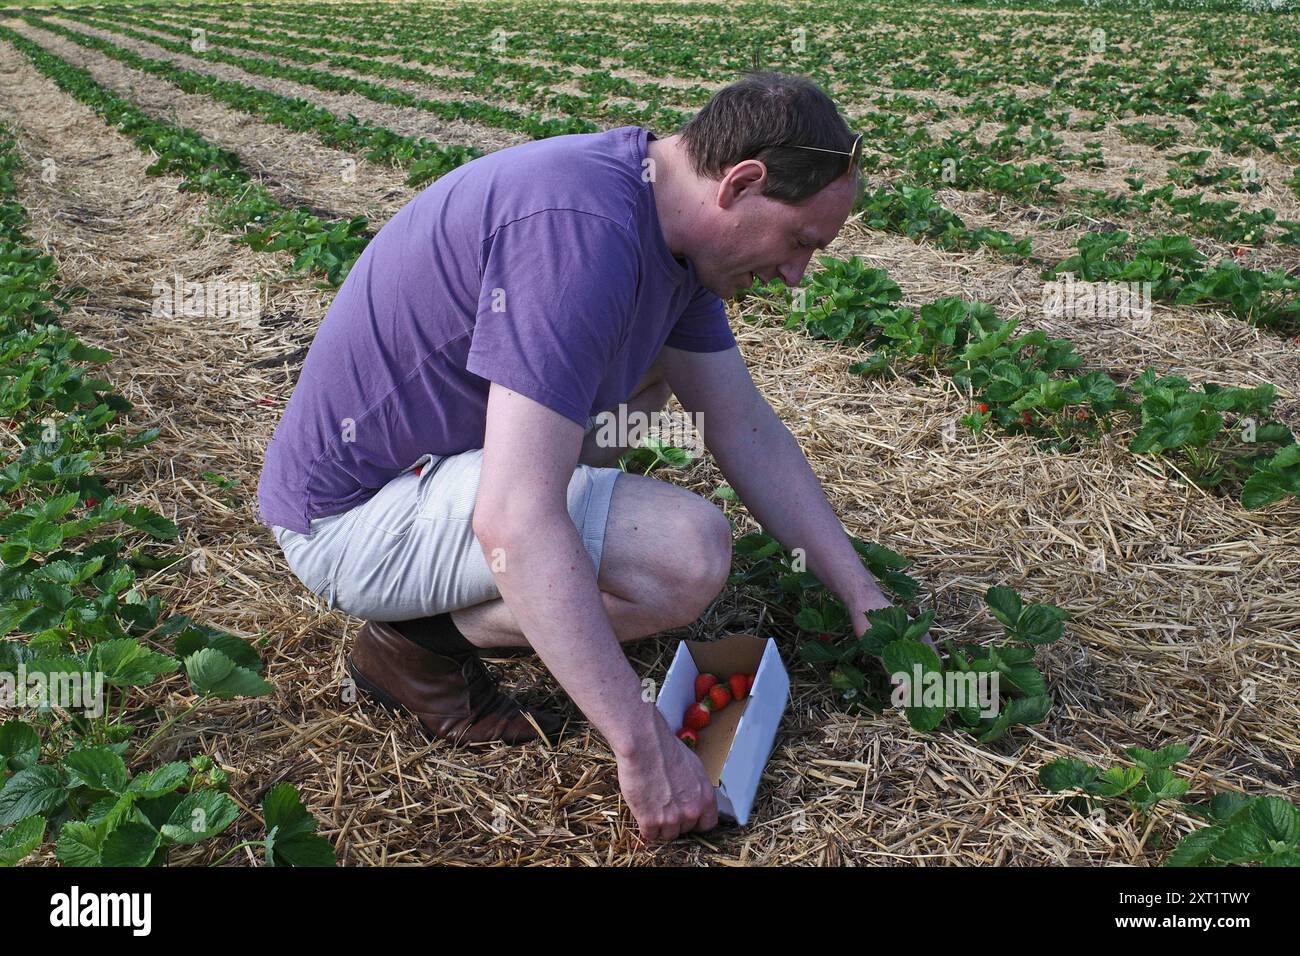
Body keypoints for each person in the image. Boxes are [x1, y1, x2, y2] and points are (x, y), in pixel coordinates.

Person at [257, 70, 899, 844]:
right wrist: (640, 741)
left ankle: (438, 619)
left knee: (661, 377)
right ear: (743, 182)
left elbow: (742, 427)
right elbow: (515, 517)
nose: (797, 273)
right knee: (683, 554)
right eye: (801, 241)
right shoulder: (580, 232)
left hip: (440, 467)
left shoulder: (671, 229)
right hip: (352, 516)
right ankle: (415, 646)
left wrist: (867, 602)